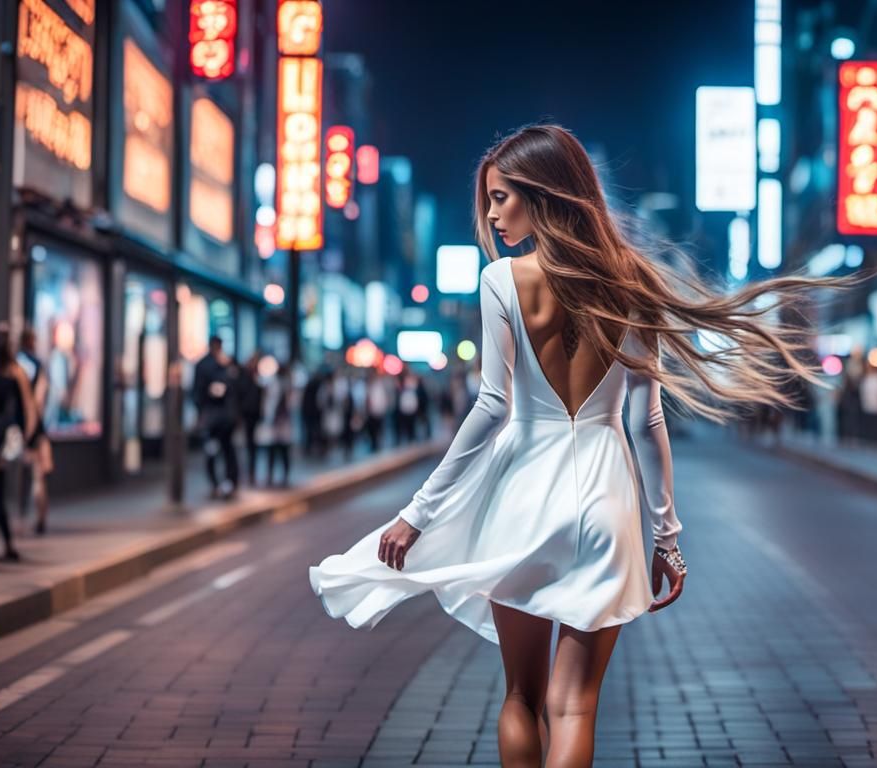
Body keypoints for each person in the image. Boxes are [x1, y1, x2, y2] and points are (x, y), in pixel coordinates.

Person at [309, 124, 833, 766]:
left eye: (502, 197)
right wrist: (666, 536)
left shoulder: (504, 281)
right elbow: (647, 424)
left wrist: (417, 513)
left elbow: (493, 408)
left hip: (525, 498)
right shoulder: (631, 281)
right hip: (609, 505)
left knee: (521, 700)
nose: (492, 213)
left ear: (543, 192)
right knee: (575, 704)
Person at [0, 327, 37, 561]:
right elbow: (29, 408)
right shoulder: (15, 372)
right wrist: (25, 436)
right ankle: (3, 543)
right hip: (3, 433)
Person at [16, 327, 52, 535]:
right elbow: (39, 401)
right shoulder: (37, 366)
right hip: (35, 427)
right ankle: (39, 518)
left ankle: (20, 514)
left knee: (17, 473)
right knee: (38, 476)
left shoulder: (14, 364)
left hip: (16, 426)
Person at [193, 336, 239, 499]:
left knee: (214, 451)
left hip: (213, 417)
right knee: (225, 450)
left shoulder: (208, 364)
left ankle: (217, 484)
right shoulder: (219, 365)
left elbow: (197, 393)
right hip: (221, 417)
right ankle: (226, 482)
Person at [257, 359, 297, 486]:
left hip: (284, 422)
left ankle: (283, 476)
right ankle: (271, 476)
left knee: (283, 451)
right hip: (274, 422)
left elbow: (290, 404)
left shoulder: (288, 385)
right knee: (273, 450)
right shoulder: (273, 383)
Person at [237, 351, 265, 485]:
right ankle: (245, 472)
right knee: (244, 444)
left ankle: (251, 471)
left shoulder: (259, 377)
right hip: (246, 414)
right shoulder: (244, 376)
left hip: (254, 415)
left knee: (252, 445)